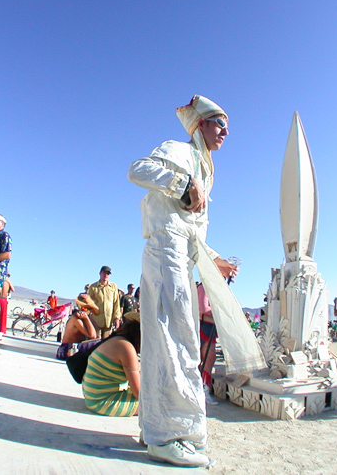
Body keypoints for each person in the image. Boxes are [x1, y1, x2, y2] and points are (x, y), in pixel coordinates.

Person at [128, 95, 241, 468]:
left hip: (180, 257)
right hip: (164, 252)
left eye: (227, 125)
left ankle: (156, 428)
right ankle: (171, 436)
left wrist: (213, 259)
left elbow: (193, 234)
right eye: (219, 122)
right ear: (201, 125)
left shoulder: (206, 173)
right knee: (176, 341)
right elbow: (138, 170)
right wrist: (181, 184)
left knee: (170, 342)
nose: (225, 130)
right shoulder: (178, 151)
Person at [81, 311, 141, 417]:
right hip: (103, 402)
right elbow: (139, 392)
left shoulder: (117, 340)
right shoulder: (126, 348)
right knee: (159, 405)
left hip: (93, 398)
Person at [197, 282, 219, 405]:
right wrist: (219, 310)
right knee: (207, 358)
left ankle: (203, 388)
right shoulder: (204, 287)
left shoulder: (211, 288)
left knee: (207, 358)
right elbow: (203, 308)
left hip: (209, 326)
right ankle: (203, 390)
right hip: (204, 326)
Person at [87, 266, 121, 339]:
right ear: (100, 273)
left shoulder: (113, 286)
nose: (106, 275)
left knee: (106, 344)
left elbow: (116, 303)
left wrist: (117, 318)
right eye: (104, 273)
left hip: (108, 321)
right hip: (96, 320)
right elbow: (89, 303)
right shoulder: (93, 287)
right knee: (95, 342)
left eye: (108, 273)